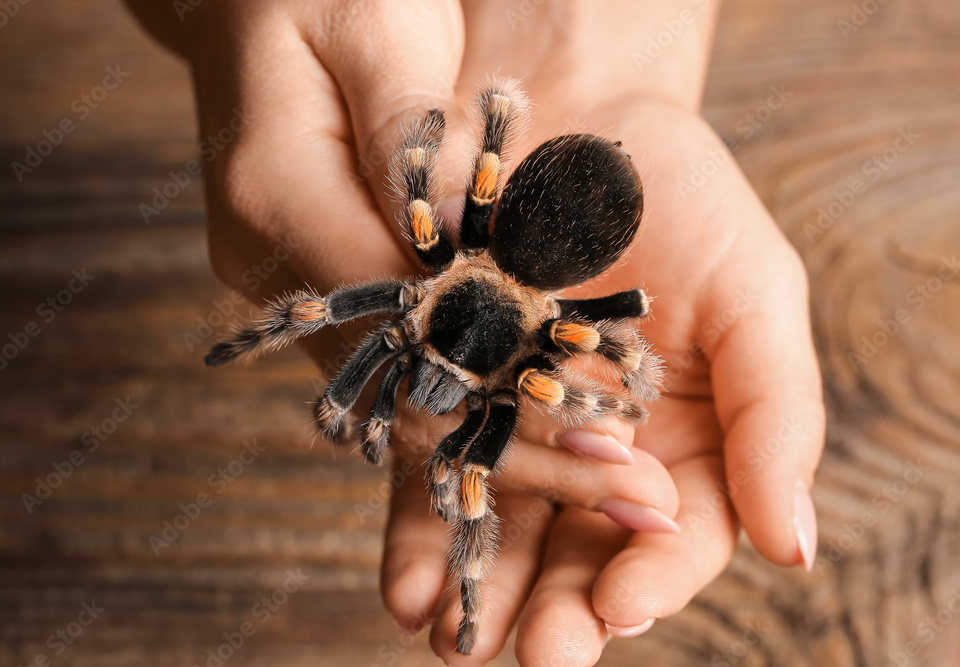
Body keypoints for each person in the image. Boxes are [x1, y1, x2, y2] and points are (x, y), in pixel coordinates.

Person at [123, 1, 826, 664]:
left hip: (548, 242)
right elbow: (407, 203)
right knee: (451, 442)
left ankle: (469, 591)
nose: (430, 384)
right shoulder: (449, 303)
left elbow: (609, 351)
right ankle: (468, 592)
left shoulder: (475, 308)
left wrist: (611, 401)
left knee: (464, 448)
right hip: (516, 255)